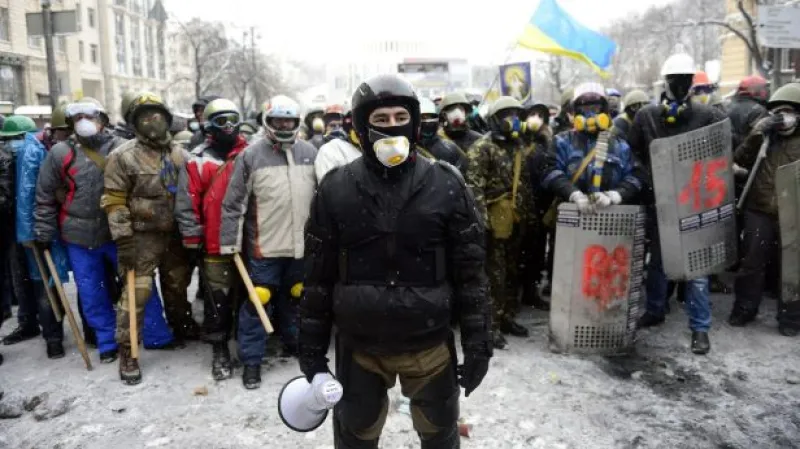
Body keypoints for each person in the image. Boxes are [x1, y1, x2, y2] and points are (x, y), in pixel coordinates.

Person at [299, 74, 491, 449]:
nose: (392, 126)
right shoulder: (335, 188)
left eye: (400, 117)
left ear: (414, 123)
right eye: (381, 119)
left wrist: (478, 342)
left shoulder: (446, 183)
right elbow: (317, 277)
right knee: (355, 436)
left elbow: (471, 274)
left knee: (440, 435)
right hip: (360, 346)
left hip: (429, 343)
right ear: (362, 126)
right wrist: (311, 352)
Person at [34, 98, 176, 364]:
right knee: (92, 292)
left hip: (120, 233)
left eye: (89, 116)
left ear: (102, 119)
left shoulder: (122, 147)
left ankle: (155, 334)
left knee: (139, 284)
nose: (84, 122)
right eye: (78, 118)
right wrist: (43, 229)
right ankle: (107, 341)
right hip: (79, 236)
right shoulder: (60, 153)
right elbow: (45, 194)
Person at [627, 53, 727, 354]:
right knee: (658, 261)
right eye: (675, 79)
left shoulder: (707, 115)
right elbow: (633, 154)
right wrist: (648, 180)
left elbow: (723, 150)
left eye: (686, 79)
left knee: (696, 268)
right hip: (660, 200)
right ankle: (655, 309)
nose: (681, 85)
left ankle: (700, 327)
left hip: (694, 199)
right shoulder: (646, 117)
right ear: (666, 82)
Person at [219, 95, 317, 390]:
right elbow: (233, 204)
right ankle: (252, 360)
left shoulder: (310, 152)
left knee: (297, 296)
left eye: (289, 121)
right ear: (268, 122)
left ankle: (294, 341)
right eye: (278, 121)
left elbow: (322, 198)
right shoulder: (251, 156)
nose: (284, 126)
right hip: (265, 247)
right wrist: (230, 243)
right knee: (259, 300)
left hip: (301, 246)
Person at [101, 93, 193, 385]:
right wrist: (123, 239)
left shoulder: (180, 154)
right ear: (134, 123)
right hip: (141, 236)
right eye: (144, 117)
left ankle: (182, 327)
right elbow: (114, 201)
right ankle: (128, 350)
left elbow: (194, 191)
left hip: (175, 233)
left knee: (177, 285)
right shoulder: (122, 156)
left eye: (157, 115)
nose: (152, 122)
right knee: (137, 291)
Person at [176, 98, 249, 380]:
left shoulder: (251, 153)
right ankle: (219, 347)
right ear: (209, 126)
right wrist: (193, 236)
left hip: (248, 238)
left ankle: (247, 343)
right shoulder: (197, 160)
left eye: (232, 120)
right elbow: (187, 202)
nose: (228, 127)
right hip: (215, 240)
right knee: (217, 297)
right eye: (221, 121)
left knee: (250, 293)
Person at [729, 82, 800, 337]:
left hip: (793, 211)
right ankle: (744, 309)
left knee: (792, 268)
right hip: (759, 208)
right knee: (751, 262)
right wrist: (757, 133)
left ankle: (791, 318)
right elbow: (739, 158)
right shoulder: (766, 137)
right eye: (778, 112)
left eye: (789, 111)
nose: (783, 118)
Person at [466, 96, 536, 348]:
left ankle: (507, 317)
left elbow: (524, 183)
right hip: (494, 220)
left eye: (516, 115)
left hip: (515, 218)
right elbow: (474, 188)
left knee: (513, 270)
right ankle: (491, 325)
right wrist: (482, 222)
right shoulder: (482, 148)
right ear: (495, 119)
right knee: (494, 274)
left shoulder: (517, 146)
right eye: (507, 115)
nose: (513, 120)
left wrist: (530, 217)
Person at [3, 115, 70, 358]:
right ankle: (41, 329)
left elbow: (29, 194)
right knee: (32, 282)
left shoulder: (31, 152)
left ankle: (52, 336)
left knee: (41, 282)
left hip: (31, 228)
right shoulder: (28, 151)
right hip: (21, 229)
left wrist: (30, 232)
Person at [542, 82, 643, 217]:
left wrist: (615, 195)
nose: (590, 114)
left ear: (604, 111)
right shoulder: (562, 141)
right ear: (576, 112)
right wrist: (573, 194)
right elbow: (549, 172)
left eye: (595, 108)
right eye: (584, 108)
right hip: (571, 218)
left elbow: (637, 176)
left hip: (610, 219)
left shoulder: (620, 145)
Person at [519, 100, 555, 310]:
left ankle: (531, 292)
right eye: (532, 114)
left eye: (541, 116)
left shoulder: (547, 143)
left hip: (540, 204)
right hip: (519, 205)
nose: (536, 119)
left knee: (537, 250)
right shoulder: (516, 140)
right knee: (516, 251)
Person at [418, 98, 467, 171]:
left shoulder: (449, 147)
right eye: (423, 117)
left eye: (431, 117)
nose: (427, 122)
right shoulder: (408, 149)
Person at [314, 108, 362, 181]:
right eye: (332, 125)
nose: (337, 129)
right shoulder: (323, 148)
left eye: (340, 125)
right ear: (325, 128)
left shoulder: (355, 146)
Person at [728, 75, 769, 152]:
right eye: (764, 88)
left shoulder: (728, 106)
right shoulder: (759, 110)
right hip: (748, 154)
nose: (766, 91)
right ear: (755, 90)